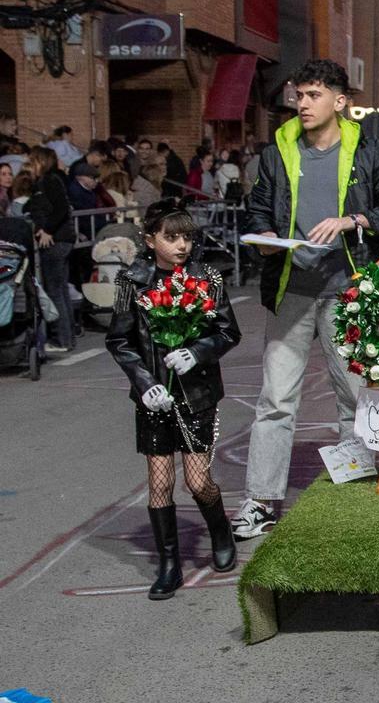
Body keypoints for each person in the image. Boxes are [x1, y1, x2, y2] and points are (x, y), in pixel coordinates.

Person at [234, 59, 379, 539]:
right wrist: (265, 234)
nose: (302, 103)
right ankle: (261, 500)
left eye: (314, 95)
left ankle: (355, 488)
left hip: (347, 291)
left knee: (355, 396)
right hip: (291, 290)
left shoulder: (365, 151)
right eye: (300, 95)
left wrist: (355, 221)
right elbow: (257, 208)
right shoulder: (278, 150)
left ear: (340, 102)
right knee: (275, 400)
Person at [105, 199, 241, 599]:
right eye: (171, 237)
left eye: (187, 237)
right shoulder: (130, 281)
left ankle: (221, 532)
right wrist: (145, 382)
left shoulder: (209, 277)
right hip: (153, 398)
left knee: (198, 483)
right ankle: (169, 565)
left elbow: (229, 332)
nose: (181, 245)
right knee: (160, 483)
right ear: (150, 240)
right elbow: (118, 340)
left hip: (197, 392)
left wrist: (196, 352)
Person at [26, 146, 76, 352]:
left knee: (55, 290)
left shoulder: (49, 181)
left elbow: (61, 209)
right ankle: (68, 337)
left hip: (55, 241)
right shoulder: (54, 180)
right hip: (63, 239)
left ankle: (61, 339)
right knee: (62, 290)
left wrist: (47, 230)